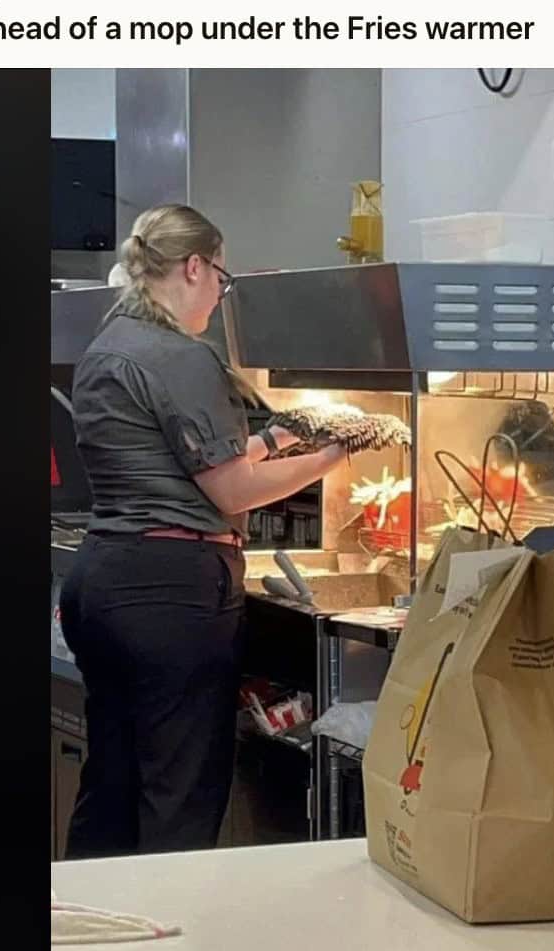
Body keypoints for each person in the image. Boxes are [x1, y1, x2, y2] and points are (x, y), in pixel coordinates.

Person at [60, 204, 347, 859]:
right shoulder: (182, 356)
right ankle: (167, 922)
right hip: (170, 597)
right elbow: (233, 490)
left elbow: (187, 457)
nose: (220, 294)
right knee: (179, 795)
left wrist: (281, 436)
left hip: (104, 583)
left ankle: (82, 920)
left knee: (112, 785)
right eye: (222, 277)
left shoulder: (110, 344)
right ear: (194, 266)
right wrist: (337, 452)